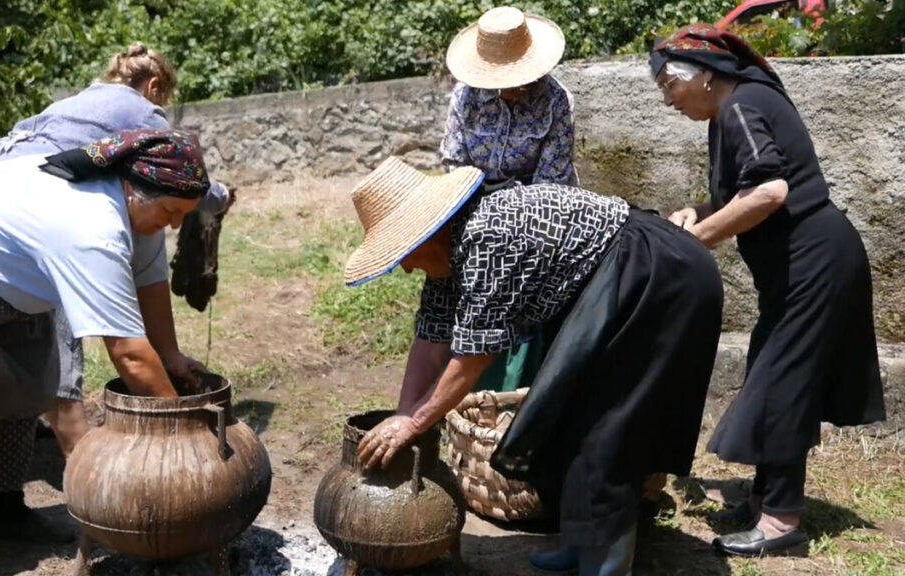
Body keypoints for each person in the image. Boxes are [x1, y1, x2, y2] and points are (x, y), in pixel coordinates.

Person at [347, 156, 724, 576]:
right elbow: (431, 341)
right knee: (571, 417)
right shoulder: (447, 256)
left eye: (403, 252)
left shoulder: (486, 236)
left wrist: (414, 424)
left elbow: (471, 361)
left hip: (657, 275)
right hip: (616, 281)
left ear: (426, 233)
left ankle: (607, 565)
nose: (405, 265)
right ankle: (581, 543)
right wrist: (402, 415)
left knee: (610, 432)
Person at [0, 129, 210, 576]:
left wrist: (170, 357)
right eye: (172, 212)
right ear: (135, 190)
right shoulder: (92, 225)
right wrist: (186, 436)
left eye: (182, 217)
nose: (173, 225)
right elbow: (129, 354)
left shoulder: (136, 209)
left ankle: (7, 512)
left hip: (9, 279)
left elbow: (150, 284)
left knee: (27, 385)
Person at [650, 25, 885, 556]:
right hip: (801, 266)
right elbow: (750, 187)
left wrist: (700, 239)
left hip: (816, 262)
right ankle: (763, 497)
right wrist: (700, 211)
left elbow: (772, 191)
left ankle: (780, 520)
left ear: (705, 75)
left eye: (669, 85)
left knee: (782, 383)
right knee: (770, 369)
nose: (667, 100)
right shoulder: (730, 110)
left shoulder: (739, 107)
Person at [0, 42, 233, 458]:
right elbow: (183, 175)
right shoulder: (140, 113)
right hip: (44, 217)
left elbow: (149, 269)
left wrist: (167, 355)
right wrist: (220, 197)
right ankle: (80, 460)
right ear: (152, 86)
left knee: (23, 350)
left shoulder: (79, 104)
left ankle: (36, 461)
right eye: (163, 99)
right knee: (60, 346)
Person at [440, 5, 576, 394]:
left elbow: (553, 180)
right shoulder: (466, 97)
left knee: (522, 302)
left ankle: (518, 394)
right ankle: (462, 392)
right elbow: (453, 159)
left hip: (537, 213)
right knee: (470, 302)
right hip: (474, 204)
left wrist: (507, 220)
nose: (512, 87)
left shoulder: (555, 101)